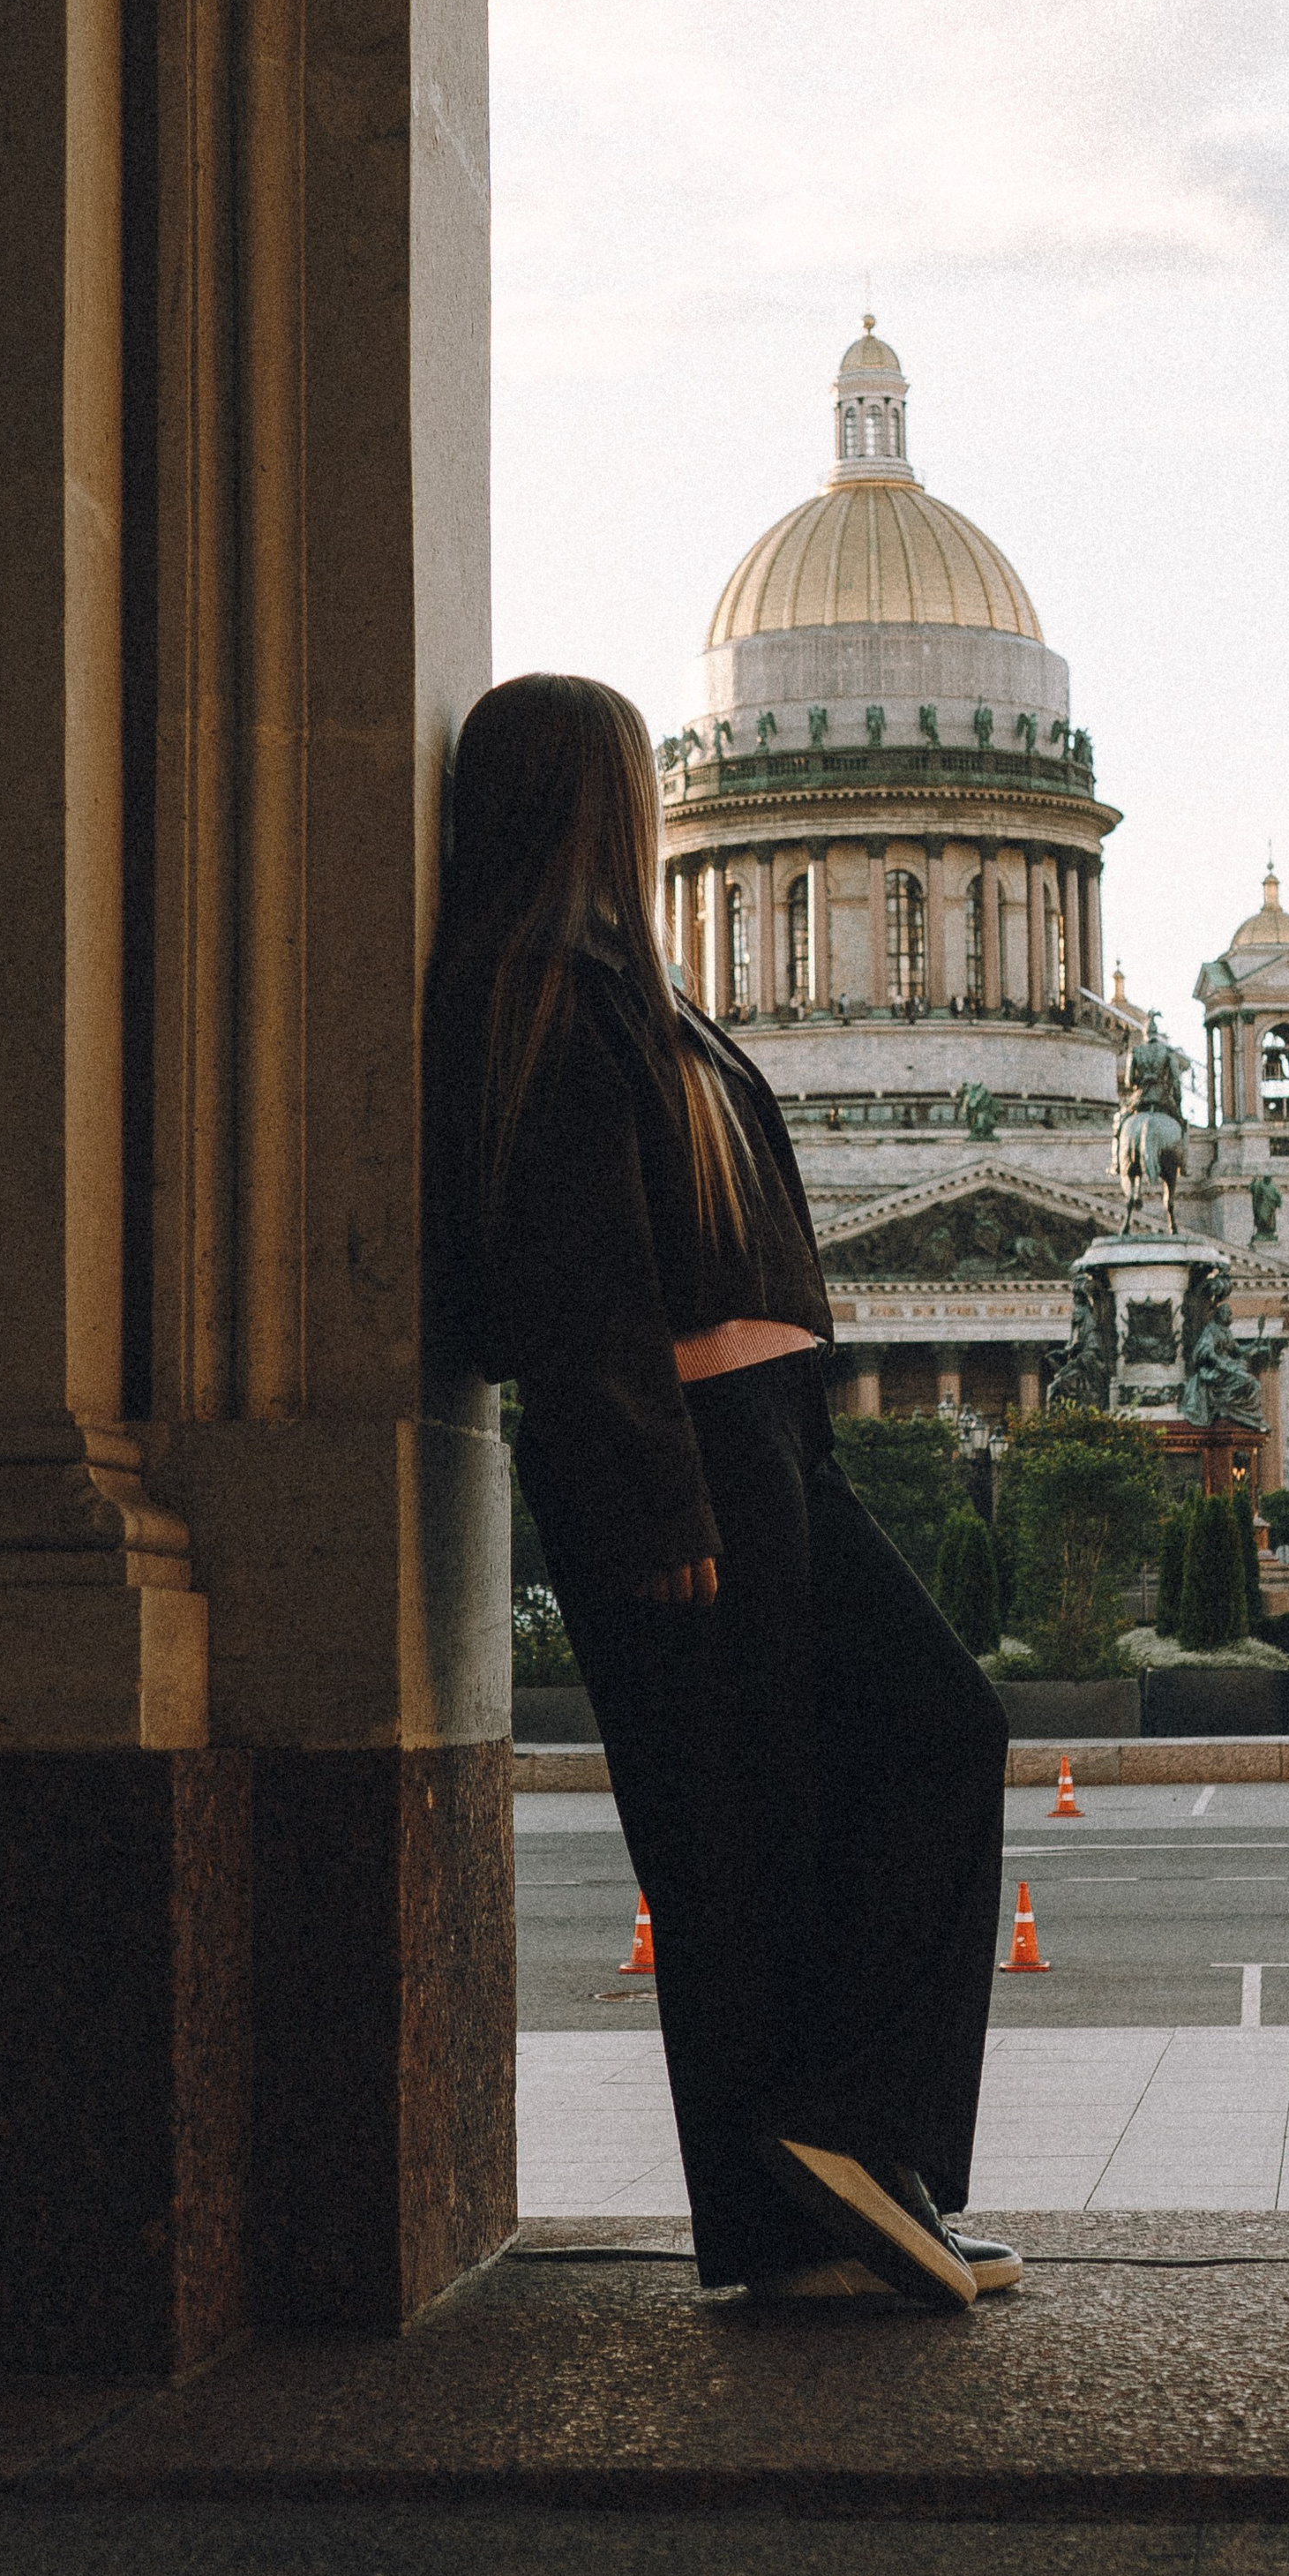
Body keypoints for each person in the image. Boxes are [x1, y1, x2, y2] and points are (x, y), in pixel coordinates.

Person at [427, 675, 1016, 2311]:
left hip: (763, 1443)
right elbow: (573, 1271)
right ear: (584, 800)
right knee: (742, 1844)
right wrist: (649, 1501)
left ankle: (845, 2172)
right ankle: (804, 2194)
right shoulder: (546, 989)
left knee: (893, 1761)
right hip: (684, 1464)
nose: (652, 801)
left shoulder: (622, 983)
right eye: (629, 774)